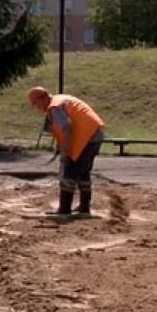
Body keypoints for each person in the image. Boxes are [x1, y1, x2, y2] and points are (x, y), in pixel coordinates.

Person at [28, 86, 105, 216]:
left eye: (35, 104)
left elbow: (67, 127)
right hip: (95, 134)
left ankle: (64, 210)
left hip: (87, 137)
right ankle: (84, 208)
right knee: (83, 172)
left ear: (42, 99)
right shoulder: (60, 100)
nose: (37, 108)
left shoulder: (54, 107)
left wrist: (66, 151)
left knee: (69, 171)